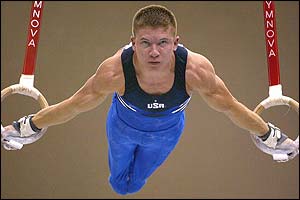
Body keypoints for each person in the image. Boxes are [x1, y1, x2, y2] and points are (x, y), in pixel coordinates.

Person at [1, 4, 298, 195]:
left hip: (166, 135)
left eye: (162, 42)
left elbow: (232, 108)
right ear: (133, 43)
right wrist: (28, 125)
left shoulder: (194, 71)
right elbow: (75, 104)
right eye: (145, 43)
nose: (154, 51)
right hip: (121, 128)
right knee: (118, 183)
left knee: (129, 186)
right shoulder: (115, 71)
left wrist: (269, 134)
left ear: (176, 43)